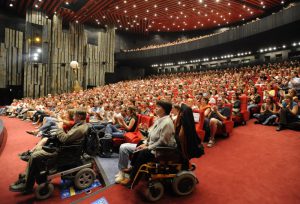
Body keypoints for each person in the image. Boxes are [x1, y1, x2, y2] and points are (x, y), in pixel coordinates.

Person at [9, 110, 89, 193]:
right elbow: (68, 138)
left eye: (74, 116)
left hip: (66, 152)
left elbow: (65, 139)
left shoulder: (80, 128)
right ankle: (27, 177)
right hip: (65, 148)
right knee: (36, 151)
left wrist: (59, 128)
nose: (73, 117)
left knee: (35, 156)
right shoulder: (81, 125)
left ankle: (27, 185)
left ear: (79, 117)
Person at [120, 100, 176, 186]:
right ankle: (133, 167)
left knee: (143, 153)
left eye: (158, 107)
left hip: (162, 150)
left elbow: (163, 142)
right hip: (155, 145)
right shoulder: (159, 119)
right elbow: (151, 135)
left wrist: (148, 147)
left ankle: (132, 179)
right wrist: (145, 143)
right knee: (140, 143)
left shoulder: (167, 123)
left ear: (164, 110)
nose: (155, 108)